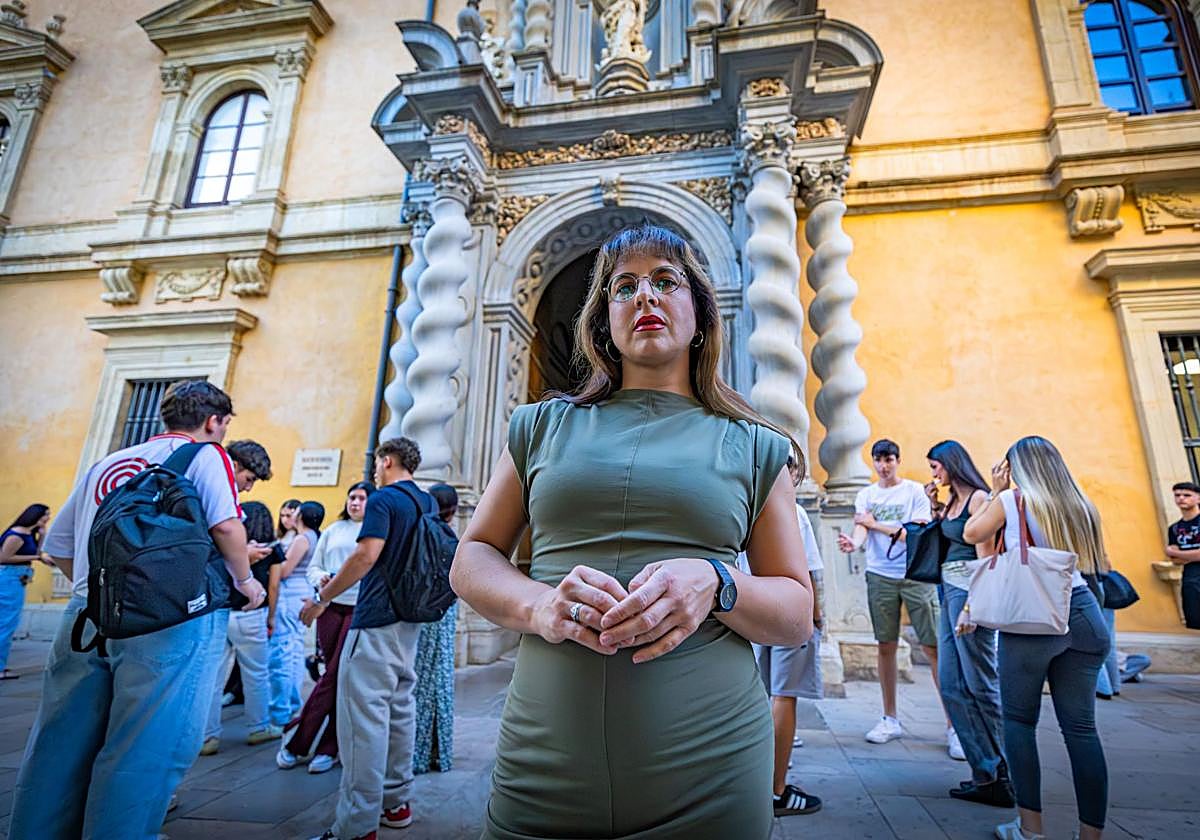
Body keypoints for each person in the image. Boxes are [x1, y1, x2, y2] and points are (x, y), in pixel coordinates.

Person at [451, 223, 814, 840]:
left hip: (710, 768)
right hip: (543, 761)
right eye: (624, 287)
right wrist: (538, 605)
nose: (645, 295)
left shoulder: (757, 445)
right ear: (604, 322)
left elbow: (796, 612)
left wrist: (717, 581)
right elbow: (473, 558)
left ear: (700, 313)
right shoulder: (540, 426)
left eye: (665, 281)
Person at [10, 380, 265, 839]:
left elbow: (59, 543)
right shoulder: (207, 456)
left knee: (59, 740)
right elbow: (227, 527)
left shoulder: (109, 461)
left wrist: (96, 584)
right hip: (162, 619)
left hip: (86, 615)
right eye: (224, 425)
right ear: (214, 421)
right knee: (145, 743)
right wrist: (246, 583)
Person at [963, 436, 1111, 840]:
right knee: (1081, 730)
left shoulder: (1013, 501)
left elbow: (973, 533)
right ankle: (1090, 835)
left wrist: (996, 491)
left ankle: (1031, 829)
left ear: (1016, 467)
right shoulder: (1081, 504)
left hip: (1033, 620)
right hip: (1083, 613)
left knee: (1019, 722)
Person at [301, 437, 435, 840]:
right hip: (409, 619)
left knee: (363, 722)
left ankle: (355, 826)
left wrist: (322, 598)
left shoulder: (383, 499)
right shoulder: (424, 502)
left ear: (387, 460)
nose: (375, 470)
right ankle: (396, 804)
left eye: (377, 462)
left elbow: (366, 554)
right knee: (398, 711)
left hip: (375, 617)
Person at [837, 439, 945, 747]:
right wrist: (854, 543)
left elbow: (915, 535)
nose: (884, 466)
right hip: (880, 575)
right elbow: (862, 527)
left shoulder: (913, 493)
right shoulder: (866, 494)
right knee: (885, 645)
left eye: (889, 460)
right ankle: (890, 718)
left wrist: (875, 524)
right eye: (879, 460)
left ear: (898, 461)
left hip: (915, 576)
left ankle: (953, 725)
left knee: (933, 647)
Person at [925, 440, 1014, 806]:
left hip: (970, 592)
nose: (934, 474)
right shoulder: (951, 503)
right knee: (950, 685)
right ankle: (983, 772)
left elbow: (986, 556)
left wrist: (973, 607)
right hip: (948, 590)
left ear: (951, 464)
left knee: (981, 683)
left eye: (935, 467)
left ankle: (1006, 771)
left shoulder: (980, 499)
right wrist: (934, 508)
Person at [278, 481, 376, 774]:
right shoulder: (333, 530)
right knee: (331, 675)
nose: (355, 502)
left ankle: (305, 740)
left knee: (336, 675)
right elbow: (314, 567)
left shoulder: (373, 531)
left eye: (361, 498)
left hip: (359, 608)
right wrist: (321, 579)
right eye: (352, 497)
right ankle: (326, 746)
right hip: (329, 606)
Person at [748, 456, 823, 817]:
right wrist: (816, 616)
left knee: (759, 697)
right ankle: (776, 789)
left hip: (749, 614)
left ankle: (754, 777)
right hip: (786, 613)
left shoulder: (743, 505)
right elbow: (809, 571)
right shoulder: (792, 512)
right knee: (784, 696)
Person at [201, 500, 284, 754]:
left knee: (212, 677)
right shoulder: (274, 549)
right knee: (257, 673)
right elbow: (274, 586)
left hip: (221, 611)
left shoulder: (228, 544)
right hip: (251, 614)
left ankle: (207, 736)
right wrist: (271, 616)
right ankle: (258, 728)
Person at [413, 482, 460, 775]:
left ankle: (416, 753)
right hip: (443, 614)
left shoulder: (420, 532)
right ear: (453, 511)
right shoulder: (449, 537)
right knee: (439, 682)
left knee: (419, 684)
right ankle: (437, 753)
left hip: (420, 614)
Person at [269, 499, 324, 728]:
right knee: (292, 650)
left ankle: (283, 706)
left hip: (292, 594)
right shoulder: (314, 537)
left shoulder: (303, 538)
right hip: (301, 593)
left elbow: (285, 570)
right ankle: (290, 702)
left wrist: (270, 557)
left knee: (284, 652)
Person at [0, 503, 50, 680]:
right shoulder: (17, 534)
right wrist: (36, 557)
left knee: (7, 622)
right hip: (9, 579)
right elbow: (4, 558)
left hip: (17, 578)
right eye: (45, 515)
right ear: (35, 515)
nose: (47, 519)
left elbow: (39, 552)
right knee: (5, 623)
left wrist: (42, 536)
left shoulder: (28, 533)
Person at [1166, 480, 1200, 631]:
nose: (1181, 498)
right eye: (1177, 495)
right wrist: (1180, 556)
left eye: (1187, 495)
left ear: (1198, 498)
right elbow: (1176, 561)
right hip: (1191, 581)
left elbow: (1174, 554)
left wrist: (1175, 552)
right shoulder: (1174, 528)